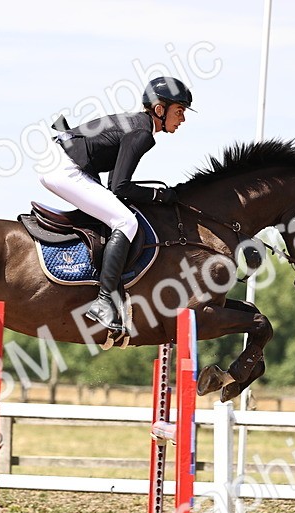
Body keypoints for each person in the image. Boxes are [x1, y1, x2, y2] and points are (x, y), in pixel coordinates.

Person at [40, 76, 193, 334]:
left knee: (119, 214)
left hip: (61, 161)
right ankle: (103, 301)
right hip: (64, 168)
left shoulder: (137, 124)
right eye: (179, 111)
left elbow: (115, 184)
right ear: (160, 109)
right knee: (126, 221)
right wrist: (159, 196)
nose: (183, 119)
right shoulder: (142, 133)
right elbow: (120, 187)